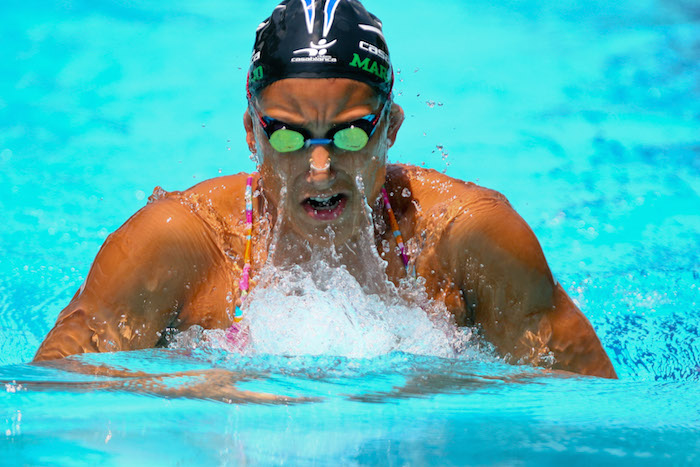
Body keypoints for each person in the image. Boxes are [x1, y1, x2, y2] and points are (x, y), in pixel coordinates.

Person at [34, 0, 617, 379]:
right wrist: (206, 393)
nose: (319, 166)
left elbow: (591, 413)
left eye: (350, 134)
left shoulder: (468, 236)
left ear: (390, 128)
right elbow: (54, 401)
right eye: (286, 136)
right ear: (250, 133)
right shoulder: (181, 243)